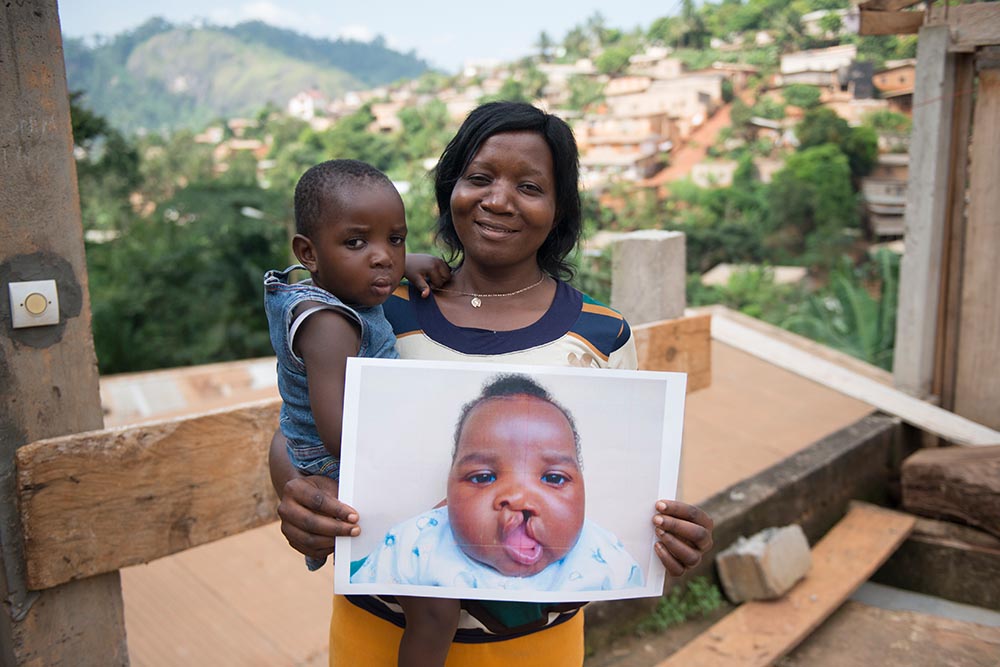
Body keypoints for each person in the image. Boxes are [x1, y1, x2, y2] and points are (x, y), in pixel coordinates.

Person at [269, 101, 715, 667]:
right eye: (478, 178)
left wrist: (675, 534)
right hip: (377, 636)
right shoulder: (377, 314)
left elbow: (636, 495)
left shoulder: (601, 335)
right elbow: (289, 433)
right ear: (450, 188)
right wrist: (298, 497)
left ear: (559, 210)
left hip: (534, 649)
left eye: (530, 187)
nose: (498, 200)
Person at [263, 158, 459, 667]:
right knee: (435, 610)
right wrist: (417, 470)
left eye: (394, 239)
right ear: (308, 252)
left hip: (323, 448)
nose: (382, 260)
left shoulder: (329, 289)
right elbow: (340, 433)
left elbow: (371, 263)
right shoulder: (329, 326)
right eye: (356, 243)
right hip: (339, 461)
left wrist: (403, 262)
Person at [351, 373, 644, 592]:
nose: (518, 498)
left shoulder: (606, 558)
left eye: (553, 478)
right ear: (449, 489)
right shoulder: (412, 546)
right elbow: (361, 593)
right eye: (484, 477)